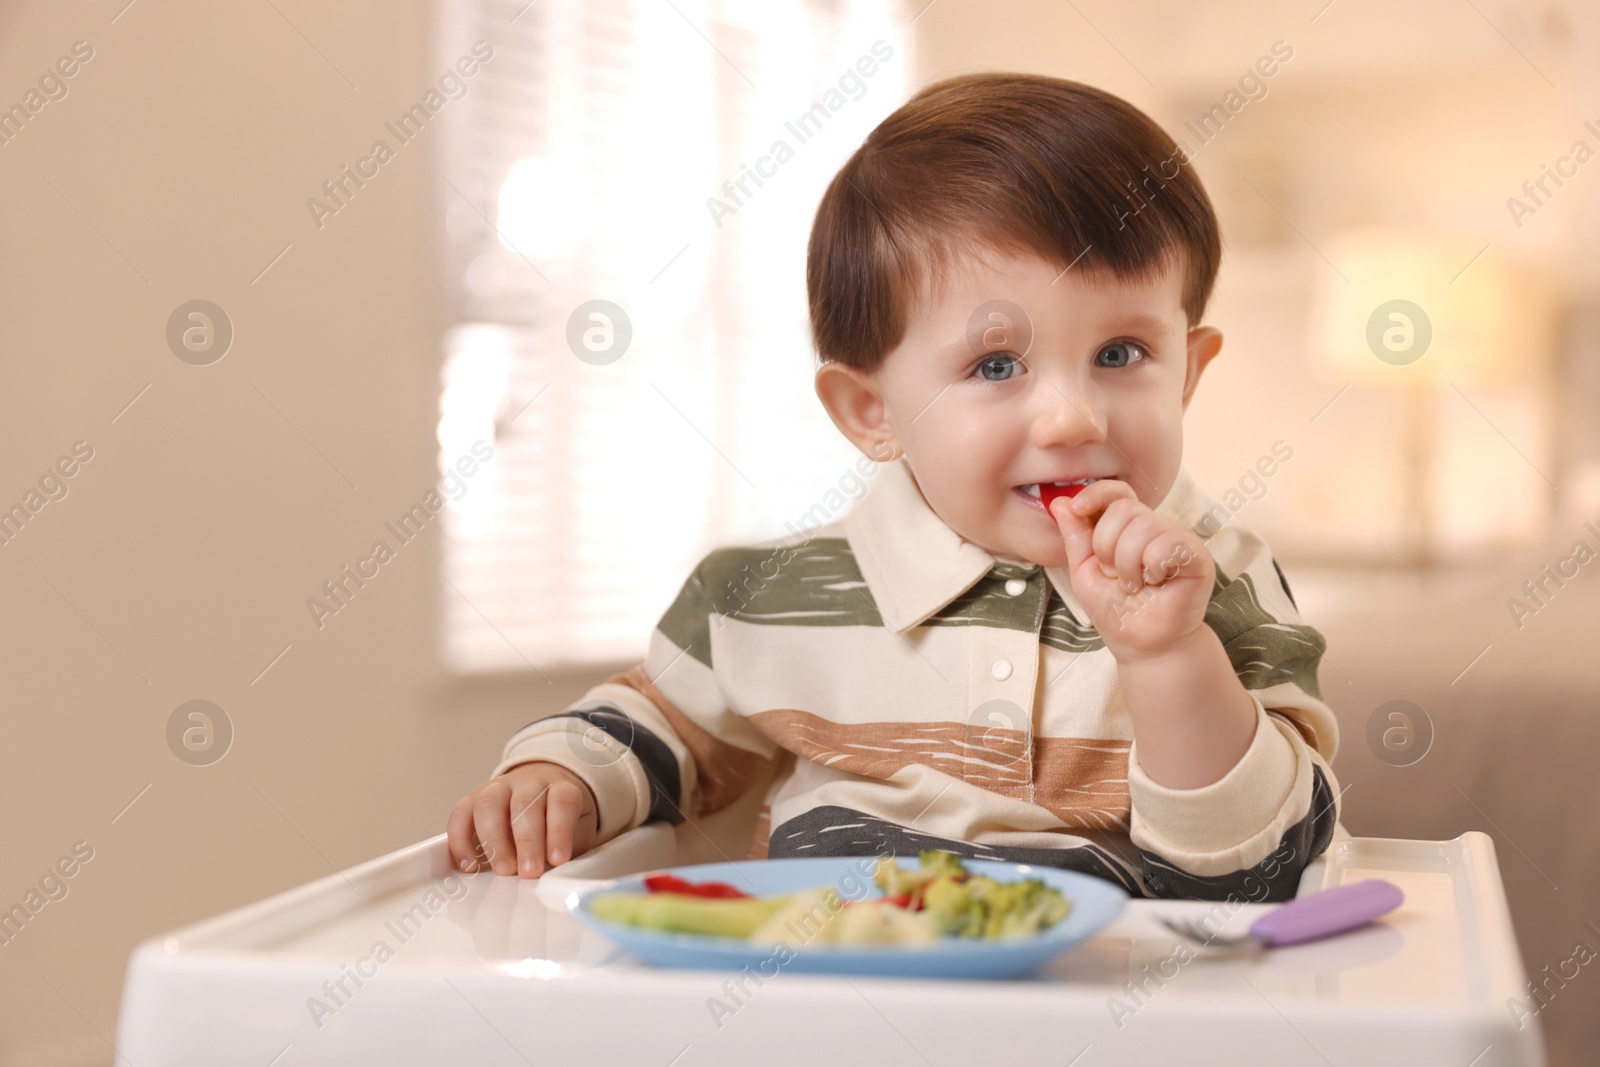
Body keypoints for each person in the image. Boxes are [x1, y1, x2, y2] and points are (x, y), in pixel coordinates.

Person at [446, 72, 1342, 901]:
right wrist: (558, 777)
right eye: (997, 364)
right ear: (871, 409)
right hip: (817, 994)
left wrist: (1166, 657)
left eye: (1121, 354)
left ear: (1188, 372)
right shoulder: (766, 595)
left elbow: (1257, 870)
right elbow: (658, 727)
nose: (1072, 419)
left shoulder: (1214, 582)